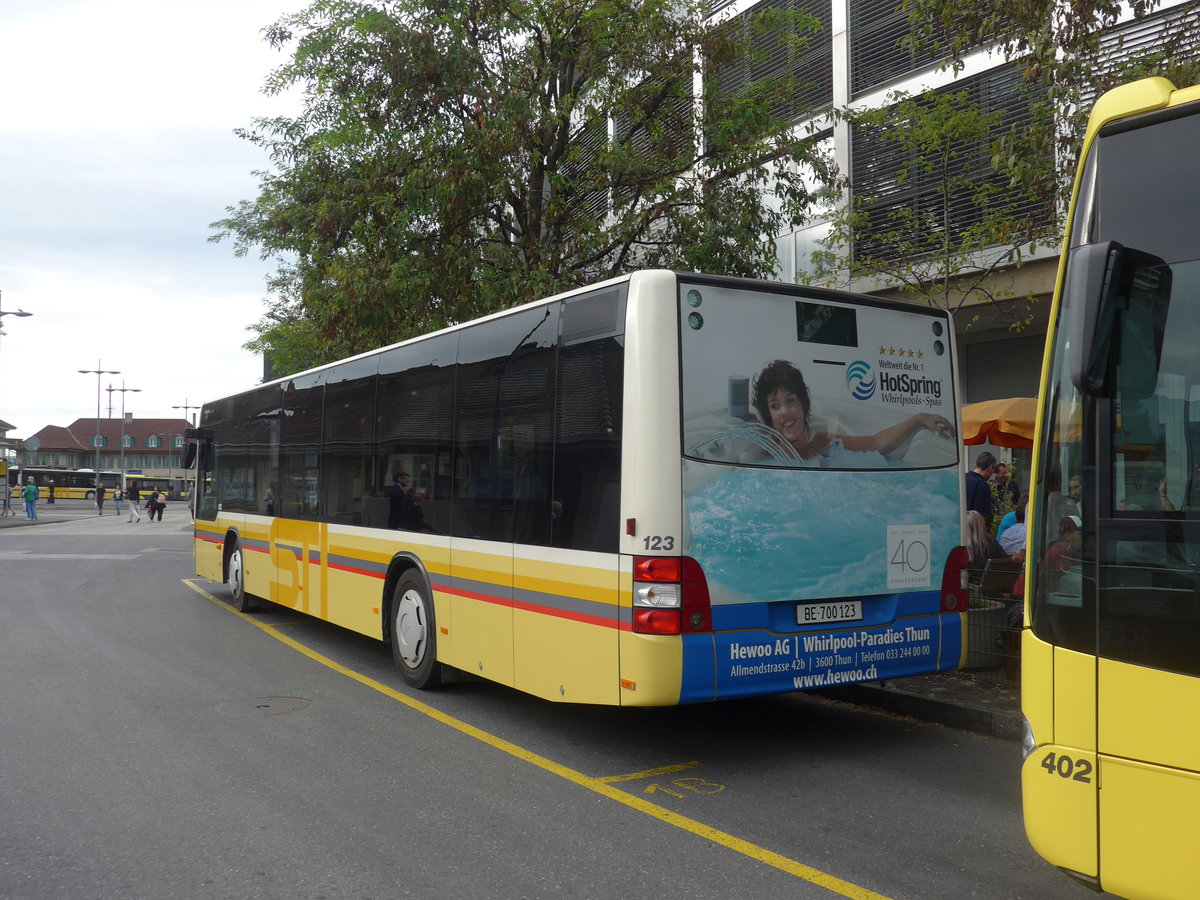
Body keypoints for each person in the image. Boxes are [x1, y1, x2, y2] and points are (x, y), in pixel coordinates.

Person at [751, 359, 955, 464]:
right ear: (768, 414)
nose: (784, 412)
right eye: (775, 406)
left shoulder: (822, 441)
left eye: (790, 401)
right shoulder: (769, 455)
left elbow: (876, 444)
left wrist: (919, 419)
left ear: (803, 405)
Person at [966, 510, 1010, 585]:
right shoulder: (991, 542)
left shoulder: (962, 545)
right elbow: (1006, 561)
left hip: (971, 588)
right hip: (993, 587)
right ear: (981, 524)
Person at [964, 451, 996, 519]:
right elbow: (980, 516)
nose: (993, 473)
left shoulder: (962, 478)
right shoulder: (982, 485)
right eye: (993, 469)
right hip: (972, 527)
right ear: (990, 468)